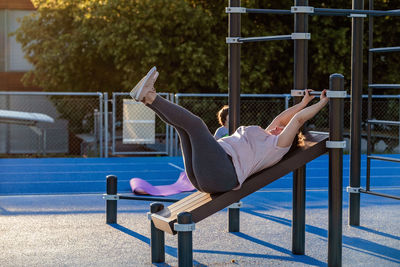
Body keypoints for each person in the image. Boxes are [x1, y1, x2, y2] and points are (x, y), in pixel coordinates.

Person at [131, 67, 328, 194]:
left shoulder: (278, 146)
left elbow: (296, 120)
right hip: (208, 174)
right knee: (183, 129)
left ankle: (149, 96)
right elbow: (282, 118)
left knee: (196, 125)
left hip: (222, 174)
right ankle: (147, 98)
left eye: (281, 129)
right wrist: (303, 102)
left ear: (288, 136)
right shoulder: (267, 135)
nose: (278, 126)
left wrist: (322, 103)